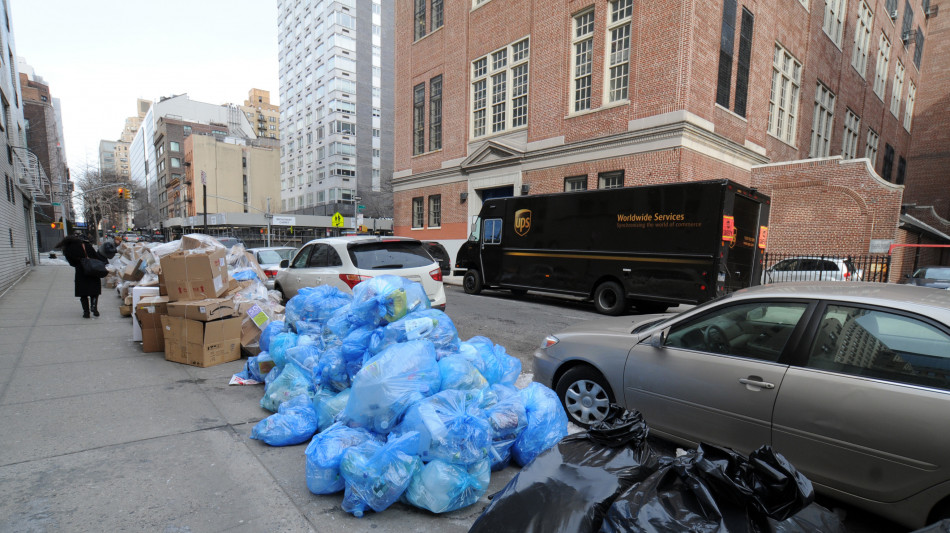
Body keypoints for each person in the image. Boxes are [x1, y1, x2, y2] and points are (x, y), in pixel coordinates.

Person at [58, 233, 106, 318]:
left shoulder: (68, 249)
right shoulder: (86, 245)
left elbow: (71, 263)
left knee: (83, 293)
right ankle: (94, 306)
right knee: (94, 291)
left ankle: (86, 312)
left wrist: (79, 262)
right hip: (93, 271)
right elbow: (96, 257)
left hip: (81, 272)